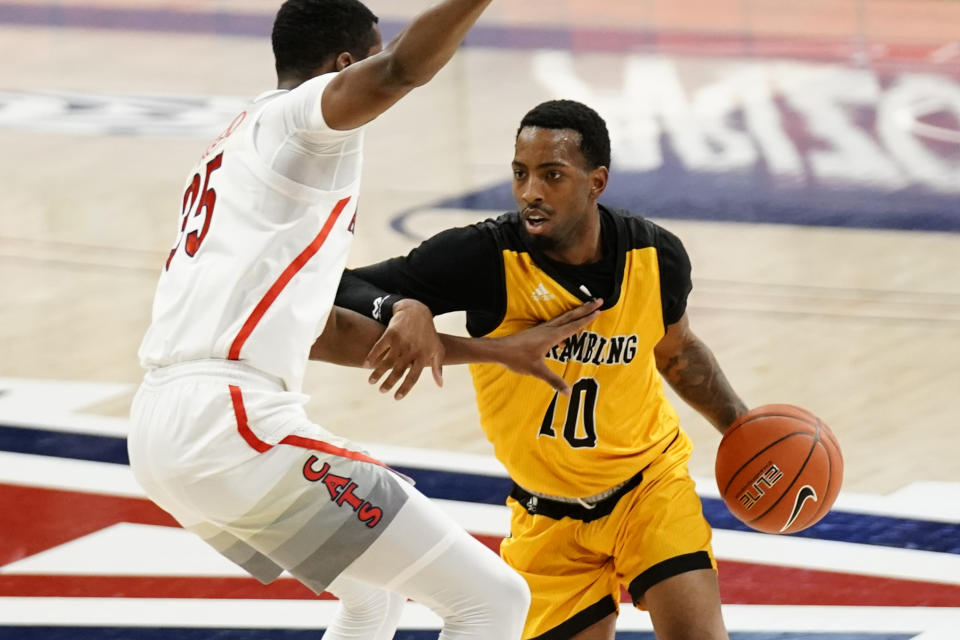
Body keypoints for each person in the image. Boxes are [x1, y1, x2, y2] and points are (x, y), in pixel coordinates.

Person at [129, 2, 602, 639]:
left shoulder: (243, 149)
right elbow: (403, 68)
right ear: (343, 67)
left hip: (163, 429)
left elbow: (320, 330)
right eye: (370, 59)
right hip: (227, 425)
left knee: (374, 601)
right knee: (491, 602)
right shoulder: (299, 124)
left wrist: (493, 351)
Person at [336, 99, 750, 640]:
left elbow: (678, 352)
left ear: (596, 181)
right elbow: (341, 284)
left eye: (551, 175)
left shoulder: (655, 255)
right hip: (545, 517)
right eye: (520, 173)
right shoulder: (484, 257)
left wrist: (743, 430)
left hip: (648, 487)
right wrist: (399, 306)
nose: (531, 191)